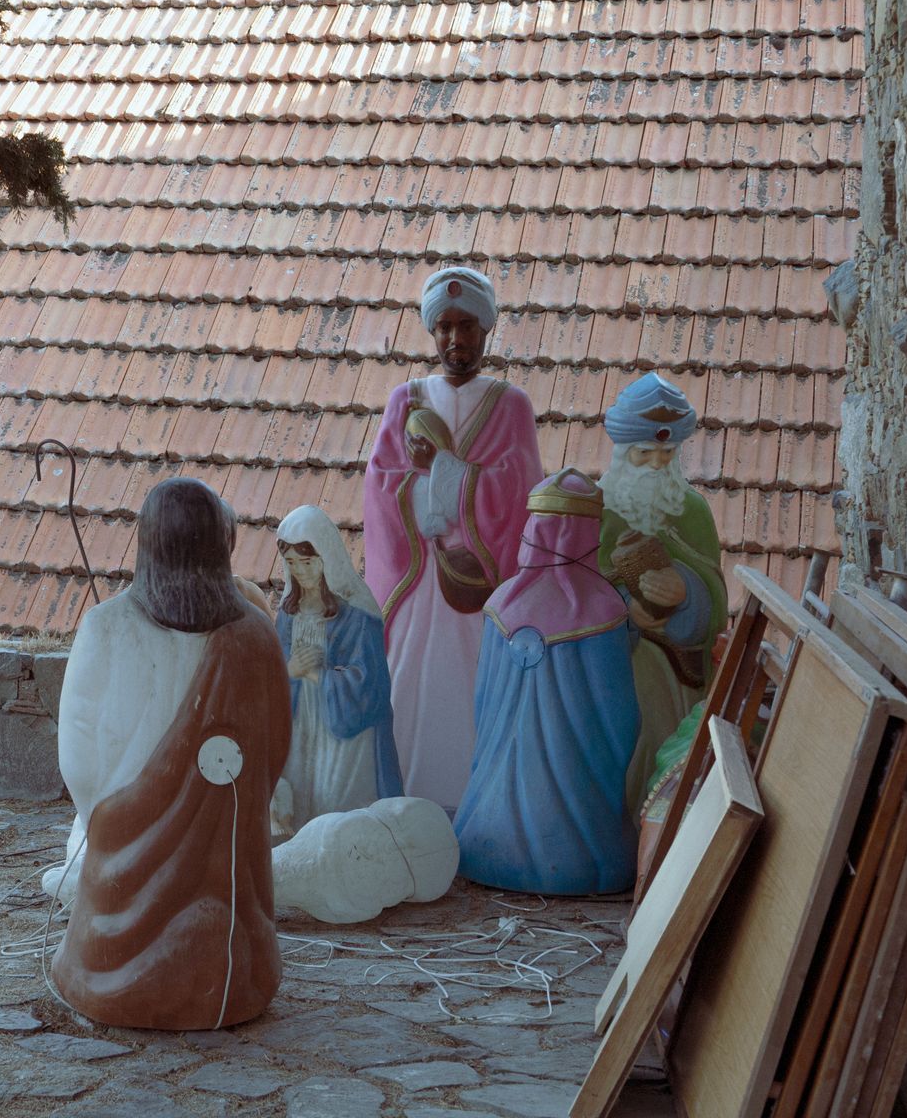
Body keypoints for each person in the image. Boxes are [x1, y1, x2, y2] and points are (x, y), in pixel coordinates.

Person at [49, 477, 290, 1030]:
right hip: (229, 844)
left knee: (110, 947)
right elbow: (275, 750)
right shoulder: (256, 636)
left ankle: (116, 985)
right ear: (220, 544)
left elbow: (78, 752)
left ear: (147, 542)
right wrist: (232, 807)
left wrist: (106, 821)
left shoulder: (105, 626)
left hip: (122, 845)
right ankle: (234, 985)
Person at [363, 265, 544, 810]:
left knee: (476, 688)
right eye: (444, 326)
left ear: (486, 330)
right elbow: (381, 486)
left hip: (478, 587)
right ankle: (402, 803)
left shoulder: (510, 405)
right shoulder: (406, 400)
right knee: (408, 686)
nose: (455, 339)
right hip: (418, 581)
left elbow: (519, 492)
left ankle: (479, 806)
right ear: (432, 331)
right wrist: (429, 493)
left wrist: (445, 472)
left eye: (466, 326)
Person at [452, 469, 640, 896]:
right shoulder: (604, 609)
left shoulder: (500, 603)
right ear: (587, 534)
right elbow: (619, 719)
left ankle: (491, 846)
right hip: (579, 839)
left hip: (482, 824)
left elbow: (482, 703)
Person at [596, 373, 728, 811]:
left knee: (666, 750)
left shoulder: (693, 511)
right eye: (644, 453)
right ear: (624, 452)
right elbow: (577, 590)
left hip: (678, 673)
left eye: (667, 453)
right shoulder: (597, 509)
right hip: (613, 667)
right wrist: (625, 608)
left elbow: (716, 599)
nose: (656, 464)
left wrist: (687, 592)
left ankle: (657, 826)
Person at [273, 505, 404, 826]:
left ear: (326, 557)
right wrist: (290, 672)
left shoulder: (358, 614)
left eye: (307, 562)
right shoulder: (287, 615)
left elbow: (371, 686)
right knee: (297, 799)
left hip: (345, 736)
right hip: (299, 726)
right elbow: (273, 671)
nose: (300, 571)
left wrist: (318, 675)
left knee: (334, 806)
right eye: (291, 563)